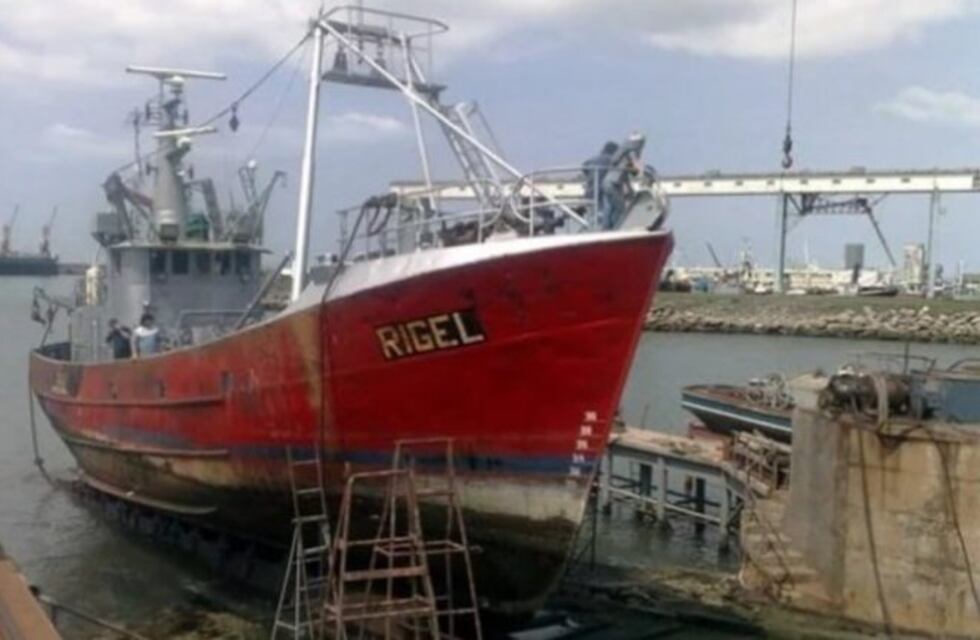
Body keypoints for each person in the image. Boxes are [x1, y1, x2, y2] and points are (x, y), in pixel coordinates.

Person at [600, 132, 647, 229]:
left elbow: (626, 176)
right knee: (621, 209)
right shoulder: (630, 153)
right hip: (612, 185)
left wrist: (630, 190)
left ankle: (607, 229)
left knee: (610, 209)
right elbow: (636, 168)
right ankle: (616, 229)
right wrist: (641, 171)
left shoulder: (621, 157)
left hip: (609, 184)